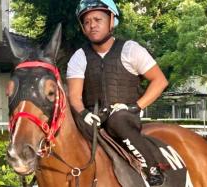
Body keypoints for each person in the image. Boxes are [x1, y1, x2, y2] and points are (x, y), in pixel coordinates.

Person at [66, 0, 168, 186]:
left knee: (118, 119)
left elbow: (160, 81)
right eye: (87, 22)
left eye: (98, 19)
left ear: (111, 20)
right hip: (93, 118)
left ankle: (153, 166)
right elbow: (74, 96)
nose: (92, 25)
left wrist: (135, 107)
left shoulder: (131, 50)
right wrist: (84, 114)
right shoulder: (79, 57)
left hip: (125, 116)